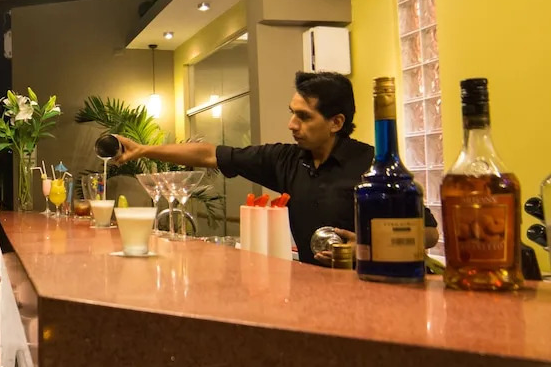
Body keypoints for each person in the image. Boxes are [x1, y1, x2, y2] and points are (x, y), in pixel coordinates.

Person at [115, 71, 439, 265]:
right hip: (315, 292)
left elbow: (428, 233)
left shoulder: (372, 166)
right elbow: (210, 154)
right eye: (292, 113)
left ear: (336, 122)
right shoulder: (287, 160)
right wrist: (143, 149)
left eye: (304, 117)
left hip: (372, 290)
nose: (292, 124)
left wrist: (367, 248)